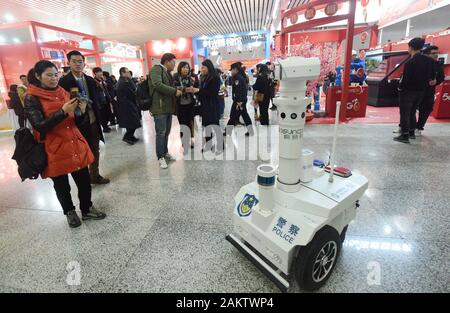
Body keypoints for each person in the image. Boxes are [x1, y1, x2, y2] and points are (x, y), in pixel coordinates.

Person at [24, 60, 106, 228]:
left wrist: (81, 112)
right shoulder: (31, 97)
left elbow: (76, 121)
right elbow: (39, 125)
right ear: (38, 76)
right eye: (49, 75)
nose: (54, 79)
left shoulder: (63, 92)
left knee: (83, 180)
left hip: (74, 141)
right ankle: (69, 212)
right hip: (53, 146)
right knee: (61, 184)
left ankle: (87, 208)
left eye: (56, 75)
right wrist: (63, 111)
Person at [59, 50, 110, 184]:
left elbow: (97, 98)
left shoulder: (89, 80)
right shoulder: (64, 82)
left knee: (95, 148)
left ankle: (94, 175)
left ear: (84, 63)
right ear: (68, 63)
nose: (77, 64)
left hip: (92, 120)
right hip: (75, 123)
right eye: (74, 61)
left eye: (80, 61)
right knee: (79, 151)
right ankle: (83, 180)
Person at [394, 38, 435, 144]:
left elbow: (406, 80)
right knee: (412, 112)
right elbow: (432, 76)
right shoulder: (429, 61)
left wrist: (400, 87)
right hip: (421, 91)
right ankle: (411, 132)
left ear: (411, 47)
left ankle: (404, 135)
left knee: (405, 113)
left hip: (408, 91)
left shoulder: (410, 62)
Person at [150, 53, 182, 169]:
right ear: (167, 61)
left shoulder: (167, 73)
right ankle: (160, 157)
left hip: (167, 107)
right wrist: (174, 91)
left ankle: (164, 152)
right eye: (173, 62)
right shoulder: (156, 70)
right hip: (159, 108)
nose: (174, 64)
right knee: (161, 133)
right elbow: (157, 85)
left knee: (166, 132)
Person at [191, 59, 221, 153]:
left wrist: (198, 90)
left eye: (203, 67)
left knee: (215, 126)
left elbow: (212, 93)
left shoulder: (215, 78)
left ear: (208, 67)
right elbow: (202, 91)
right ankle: (209, 145)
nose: (201, 69)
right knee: (206, 126)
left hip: (212, 106)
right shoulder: (204, 77)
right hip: (205, 106)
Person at [416, 45, 445, 134]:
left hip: (429, 92)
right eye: (433, 53)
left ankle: (419, 127)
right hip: (416, 91)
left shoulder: (439, 65)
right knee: (409, 109)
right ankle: (405, 127)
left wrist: (436, 81)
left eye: (437, 53)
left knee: (427, 109)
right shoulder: (418, 63)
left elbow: (441, 77)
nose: (436, 55)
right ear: (426, 54)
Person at [173, 61, 196, 151]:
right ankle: (184, 142)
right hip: (180, 105)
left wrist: (193, 89)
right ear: (180, 68)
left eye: (187, 67)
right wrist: (185, 89)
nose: (186, 69)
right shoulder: (175, 77)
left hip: (190, 104)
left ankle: (191, 139)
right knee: (183, 124)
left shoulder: (190, 78)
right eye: (184, 67)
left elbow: (195, 88)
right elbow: (174, 88)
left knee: (190, 123)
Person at [116, 67, 142, 145]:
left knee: (131, 122)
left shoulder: (125, 80)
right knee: (133, 121)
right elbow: (131, 92)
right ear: (123, 73)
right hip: (126, 105)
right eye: (127, 72)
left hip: (128, 104)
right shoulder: (123, 82)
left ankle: (131, 136)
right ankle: (127, 137)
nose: (129, 73)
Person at [226, 62, 253, 136]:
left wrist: (239, 101)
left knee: (234, 115)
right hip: (240, 100)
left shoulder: (238, 78)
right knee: (243, 115)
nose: (231, 71)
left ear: (236, 69)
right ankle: (228, 131)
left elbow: (239, 91)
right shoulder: (240, 77)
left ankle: (227, 131)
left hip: (239, 101)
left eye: (232, 70)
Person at [93, 67, 113, 133]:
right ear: (95, 73)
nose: (101, 73)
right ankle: (104, 127)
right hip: (100, 100)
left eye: (101, 71)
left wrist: (109, 98)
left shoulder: (102, 79)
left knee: (108, 112)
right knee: (103, 114)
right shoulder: (94, 81)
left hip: (106, 99)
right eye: (99, 72)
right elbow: (95, 93)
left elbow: (106, 89)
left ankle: (106, 125)